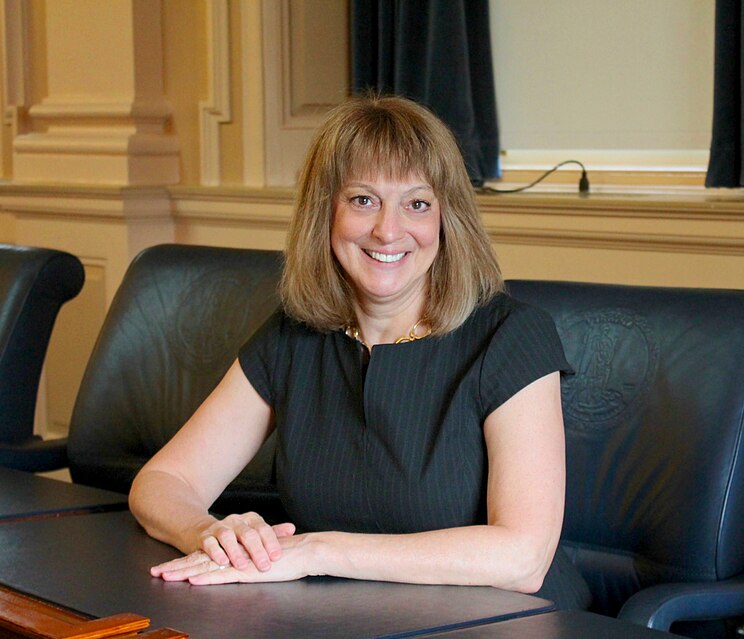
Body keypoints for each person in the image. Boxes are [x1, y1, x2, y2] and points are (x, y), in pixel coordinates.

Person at [128, 95, 590, 610]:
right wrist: (213, 535)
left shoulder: (511, 335)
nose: (388, 230)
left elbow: (522, 559)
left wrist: (315, 551)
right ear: (324, 212)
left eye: (417, 203)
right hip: (343, 618)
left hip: (505, 622)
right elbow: (163, 482)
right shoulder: (294, 336)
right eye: (363, 200)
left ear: (446, 219)